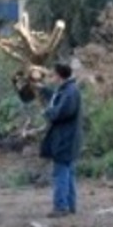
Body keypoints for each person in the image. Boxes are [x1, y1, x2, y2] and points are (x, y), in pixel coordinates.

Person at [40, 61, 83, 217]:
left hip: (65, 139)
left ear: (59, 75)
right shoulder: (68, 89)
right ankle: (69, 205)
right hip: (68, 138)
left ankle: (60, 207)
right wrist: (42, 90)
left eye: (53, 75)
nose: (51, 77)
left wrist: (47, 113)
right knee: (68, 172)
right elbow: (57, 98)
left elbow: (61, 111)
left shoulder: (70, 92)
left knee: (61, 173)